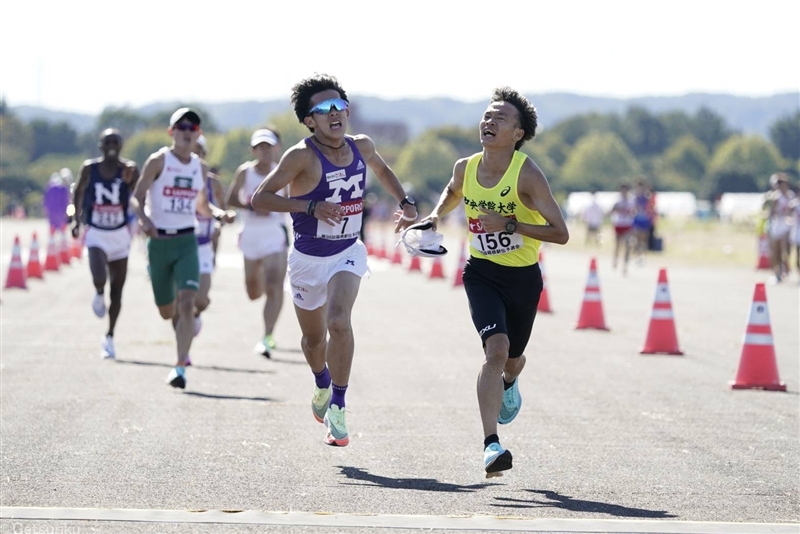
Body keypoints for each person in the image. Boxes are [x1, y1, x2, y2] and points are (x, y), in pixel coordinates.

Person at [251, 74, 418, 447]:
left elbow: (382, 169)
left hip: (348, 251)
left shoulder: (363, 145)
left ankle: (339, 405)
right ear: (310, 120)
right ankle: (322, 381)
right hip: (307, 259)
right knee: (313, 341)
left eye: (340, 105)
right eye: (324, 109)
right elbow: (260, 199)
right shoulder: (300, 156)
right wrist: (309, 205)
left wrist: (404, 202)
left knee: (339, 322)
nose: (335, 113)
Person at [419, 87, 568, 478]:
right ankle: (491, 445)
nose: (489, 121)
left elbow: (561, 232)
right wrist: (435, 216)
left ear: (517, 133)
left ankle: (510, 381)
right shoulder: (465, 167)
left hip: (523, 278)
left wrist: (510, 224)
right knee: (495, 349)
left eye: (500, 118)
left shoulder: (528, 174)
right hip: (482, 272)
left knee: (512, 359)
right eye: (487, 115)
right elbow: (453, 192)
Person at [130, 108, 235, 389]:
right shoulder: (158, 161)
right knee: (167, 311)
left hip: (187, 241)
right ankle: (179, 330)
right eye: (181, 126)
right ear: (171, 132)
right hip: (159, 242)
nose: (187, 131)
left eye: (193, 127)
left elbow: (201, 204)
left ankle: (179, 366)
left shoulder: (199, 167)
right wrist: (145, 219)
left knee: (188, 302)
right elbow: (136, 197)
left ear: (198, 134)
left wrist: (218, 213)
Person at [71, 129, 140, 359]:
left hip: (120, 233)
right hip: (97, 232)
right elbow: (79, 190)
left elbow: (140, 197)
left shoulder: (129, 168)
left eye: (116, 142)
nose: (111, 145)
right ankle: (99, 290)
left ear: (121, 145)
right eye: (107, 141)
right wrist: (76, 219)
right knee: (100, 276)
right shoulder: (89, 168)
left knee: (118, 291)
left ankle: (109, 336)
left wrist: (131, 184)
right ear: (100, 145)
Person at [225, 128, 289, 357]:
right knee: (253, 292)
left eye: (268, 146)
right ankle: (260, 279)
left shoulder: (282, 171)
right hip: (251, 235)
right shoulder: (245, 172)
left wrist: (273, 205)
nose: (265, 151)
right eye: (260, 147)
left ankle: (267, 336)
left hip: (274, 234)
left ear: (275, 148)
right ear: (254, 150)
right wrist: (252, 206)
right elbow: (231, 198)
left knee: (274, 285)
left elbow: (293, 200)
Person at [191, 134, 227, 339]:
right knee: (181, 301)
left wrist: (218, 230)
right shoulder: (174, 175)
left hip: (204, 245)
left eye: (198, 150)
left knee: (201, 300)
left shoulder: (213, 183)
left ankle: (196, 314)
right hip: (181, 243)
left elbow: (219, 212)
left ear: (204, 154)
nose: (194, 153)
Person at [763, 173, 795, 283]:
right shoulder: (775, 197)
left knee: (786, 250)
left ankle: (785, 268)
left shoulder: (791, 196)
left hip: (787, 225)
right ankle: (777, 272)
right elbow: (771, 212)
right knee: (776, 251)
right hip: (777, 225)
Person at [610, 183, 635, 275]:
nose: (624, 192)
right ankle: (615, 259)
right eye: (622, 190)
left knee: (628, 245)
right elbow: (611, 211)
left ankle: (625, 265)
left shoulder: (631, 201)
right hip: (618, 224)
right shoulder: (617, 201)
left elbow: (634, 212)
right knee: (617, 245)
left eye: (625, 190)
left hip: (627, 225)